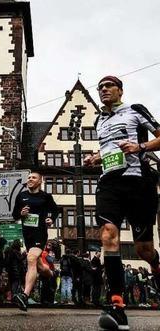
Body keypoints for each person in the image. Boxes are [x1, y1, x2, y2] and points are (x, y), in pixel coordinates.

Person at [82, 76, 160, 330]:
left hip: (138, 182)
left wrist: (140, 146)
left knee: (143, 251)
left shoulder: (135, 110)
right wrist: (96, 157)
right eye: (100, 87)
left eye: (108, 86)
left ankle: (156, 268)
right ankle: (117, 305)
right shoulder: (99, 120)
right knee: (108, 234)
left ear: (120, 90)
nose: (103, 90)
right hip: (109, 183)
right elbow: (109, 148)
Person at [11, 172, 58, 311]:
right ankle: (51, 274)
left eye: (33, 178)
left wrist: (51, 219)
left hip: (40, 233)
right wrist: (21, 214)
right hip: (27, 234)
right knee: (39, 266)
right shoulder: (21, 196)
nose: (30, 179)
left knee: (31, 258)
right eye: (29, 177)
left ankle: (24, 296)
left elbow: (55, 210)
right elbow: (14, 215)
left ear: (40, 181)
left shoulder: (45, 197)